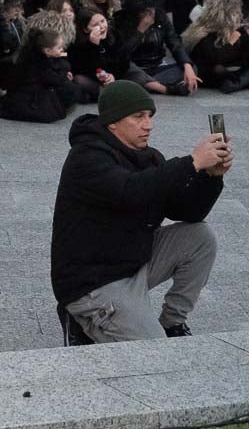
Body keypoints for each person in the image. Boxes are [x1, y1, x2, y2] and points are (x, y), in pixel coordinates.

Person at [51, 80, 231, 342]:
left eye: (150, 116)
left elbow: (188, 212)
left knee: (200, 237)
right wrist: (192, 162)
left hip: (132, 260)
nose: (149, 124)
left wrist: (210, 176)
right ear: (113, 121)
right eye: (138, 117)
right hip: (93, 280)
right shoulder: (86, 158)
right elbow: (131, 191)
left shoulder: (148, 156)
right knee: (152, 351)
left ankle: (172, 323)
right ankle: (81, 320)